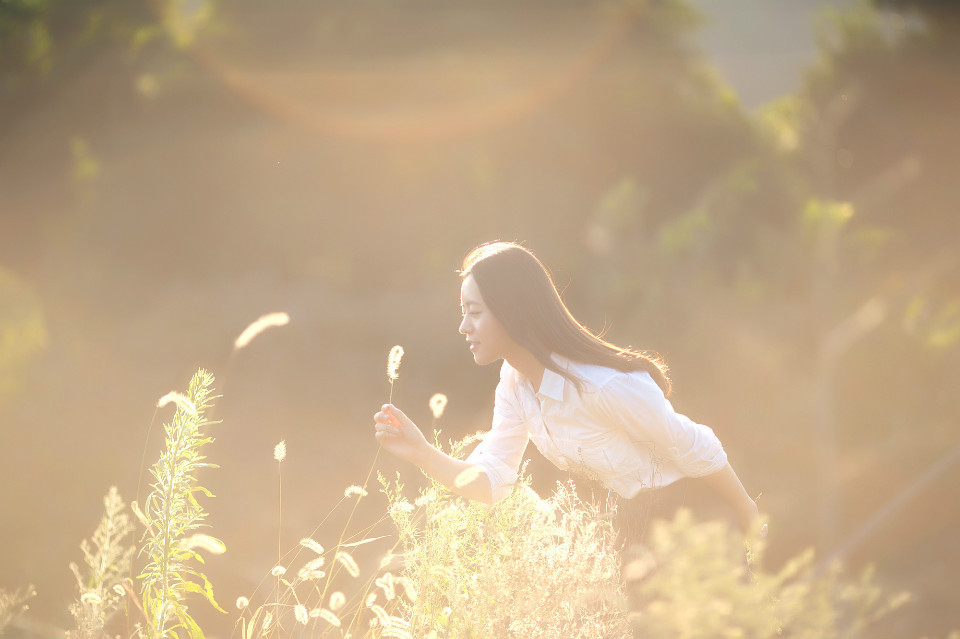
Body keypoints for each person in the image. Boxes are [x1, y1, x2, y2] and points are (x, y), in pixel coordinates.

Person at [372, 241, 766, 547]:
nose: (463, 326)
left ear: (513, 310)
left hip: (694, 520)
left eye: (474, 312)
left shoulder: (601, 386)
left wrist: (747, 513)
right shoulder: (515, 382)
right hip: (632, 529)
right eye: (463, 312)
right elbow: (493, 481)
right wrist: (421, 452)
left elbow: (692, 444)